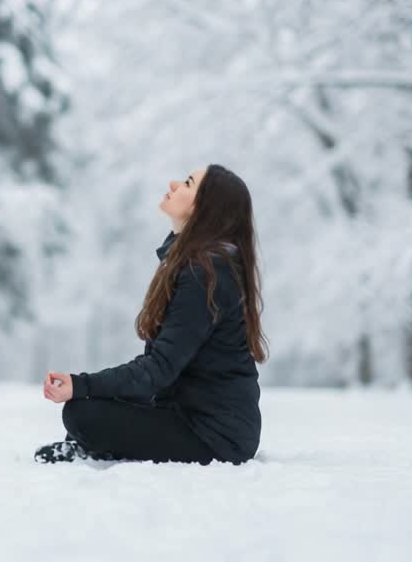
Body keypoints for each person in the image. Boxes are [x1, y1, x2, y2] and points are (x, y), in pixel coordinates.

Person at [34, 164, 267, 465]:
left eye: (187, 183)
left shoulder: (207, 273)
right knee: (93, 402)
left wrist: (81, 384)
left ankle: (91, 445)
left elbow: (158, 369)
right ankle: (88, 444)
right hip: (187, 413)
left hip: (216, 435)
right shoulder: (195, 263)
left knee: (83, 412)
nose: (173, 184)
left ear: (205, 207)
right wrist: (89, 389)